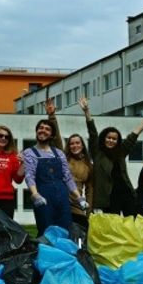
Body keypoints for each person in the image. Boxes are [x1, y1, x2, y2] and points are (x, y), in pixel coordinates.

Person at [79, 97, 143, 217]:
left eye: (114, 139)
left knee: (131, 224)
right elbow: (92, 132)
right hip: (108, 198)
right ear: (103, 138)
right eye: (108, 137)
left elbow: (134, 135)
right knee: (113, 227)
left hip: (126, 193)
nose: (111, 140)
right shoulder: (97, 153)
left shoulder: (121, 152)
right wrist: (86, 111)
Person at [23, 118, 84, 236]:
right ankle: (47, 254)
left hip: (62, 196)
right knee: (46, 230)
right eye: (40, 128)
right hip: (43, 197)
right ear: (36, 131)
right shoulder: (29, 153)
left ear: (51, 134)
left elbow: (67, 176)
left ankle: (65, 254)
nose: (43, 131)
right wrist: (35, 194)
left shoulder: (59, 153)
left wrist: (78, 197)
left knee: (66, 230)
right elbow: (29, 175)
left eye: (47, 129)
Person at [46, 98, 93, 229]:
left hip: (77, 207)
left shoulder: (88, 166)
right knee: (61, 237)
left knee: (79, 239)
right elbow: (56, 139)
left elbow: (90, 191)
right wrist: (52, 116)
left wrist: (89, 212)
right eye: (71, 143)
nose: (74, 145)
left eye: (77, 143)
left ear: (82, 145)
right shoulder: (64, 158)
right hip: (61, 203)